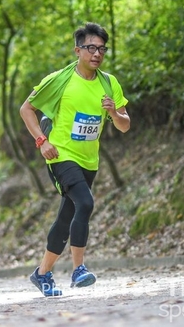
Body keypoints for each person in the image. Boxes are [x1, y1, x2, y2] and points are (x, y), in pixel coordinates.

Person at [19, 22, 130, 297]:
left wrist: (114, 113)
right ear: (77, 50)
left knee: (67, 215)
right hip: (60, 155)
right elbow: (26, 109)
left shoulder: (109, 83)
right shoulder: (60, 79)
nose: (97, 53)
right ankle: (79, 269)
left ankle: (42, 273)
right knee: (86, 202)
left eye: (102, 49)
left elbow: (125, 125)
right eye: (91, 48)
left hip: (89, 160)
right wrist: (42, 141)